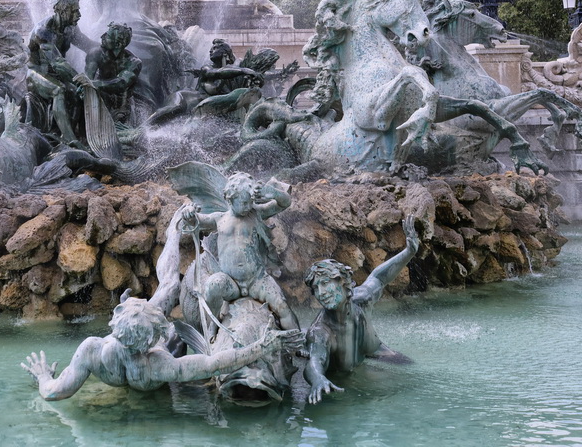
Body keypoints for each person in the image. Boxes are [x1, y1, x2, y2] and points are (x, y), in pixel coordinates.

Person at [21, 296, 299, 400]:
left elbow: (53, 392)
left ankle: (172, 239)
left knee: (166, 293)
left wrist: (43, 375)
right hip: (158, 374)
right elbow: (214, 363)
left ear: (115, 321)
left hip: (133, 354)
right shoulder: (158, 364)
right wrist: (260, 348)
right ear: (152, 340)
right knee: (173, 323)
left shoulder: (90, 350)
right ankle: (172, 238)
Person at [303, 215, 421, 404]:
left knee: (416, 374)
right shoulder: (321, 333)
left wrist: (409, 252)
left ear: (344, 283)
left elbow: (380, 277)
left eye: (325, 283)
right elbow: (314, 362)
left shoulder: (361, 299)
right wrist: (318, 378)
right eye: (316, 288)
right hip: (346, 382)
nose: (321, 292)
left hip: (377, 353)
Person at [181, 172, 299, 334]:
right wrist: (189, 213)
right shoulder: (219, 219)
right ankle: (213, 323)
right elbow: (196, 222)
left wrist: (273, 193)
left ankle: (297, 343)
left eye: (250, 202)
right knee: (212, 286)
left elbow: (285, 203)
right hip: (231, 283)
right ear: (230, 200)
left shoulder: (256, 213)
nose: (248, 207)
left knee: (282, 307)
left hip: (256, 280)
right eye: (244, 203)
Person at [25, 0, 97, 146]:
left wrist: (106, 49)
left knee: (76, 93)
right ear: (63, 11)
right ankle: (71, 140)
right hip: (35, 73)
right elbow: (58, 63)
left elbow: (88, 45)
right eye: (75, 11)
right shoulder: (44, 30)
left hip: (55, 74)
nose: (79, 15)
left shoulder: (70, 28)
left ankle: (71, 136)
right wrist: (80, 79)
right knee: (58, 90)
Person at [147, 39, 263, 125]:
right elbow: (217, 73)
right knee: (172, 109)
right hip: (185, 98)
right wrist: (243, 70)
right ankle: (144, 128)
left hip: (203, 108)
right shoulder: (207, 68)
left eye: (216, 48)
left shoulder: (230, 77)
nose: (211, 50)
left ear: (225, 54)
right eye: (211, 49)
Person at [76, 23, 143, 124]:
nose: (102, 36)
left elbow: (121, 83)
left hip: (122, 106)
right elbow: (87, 78)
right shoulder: (95, 54)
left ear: (118, 44)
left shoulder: (133, 62)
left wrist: (93, 83)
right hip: (100, 98)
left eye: (108, 36)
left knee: (122, 125)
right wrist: (84, 88)